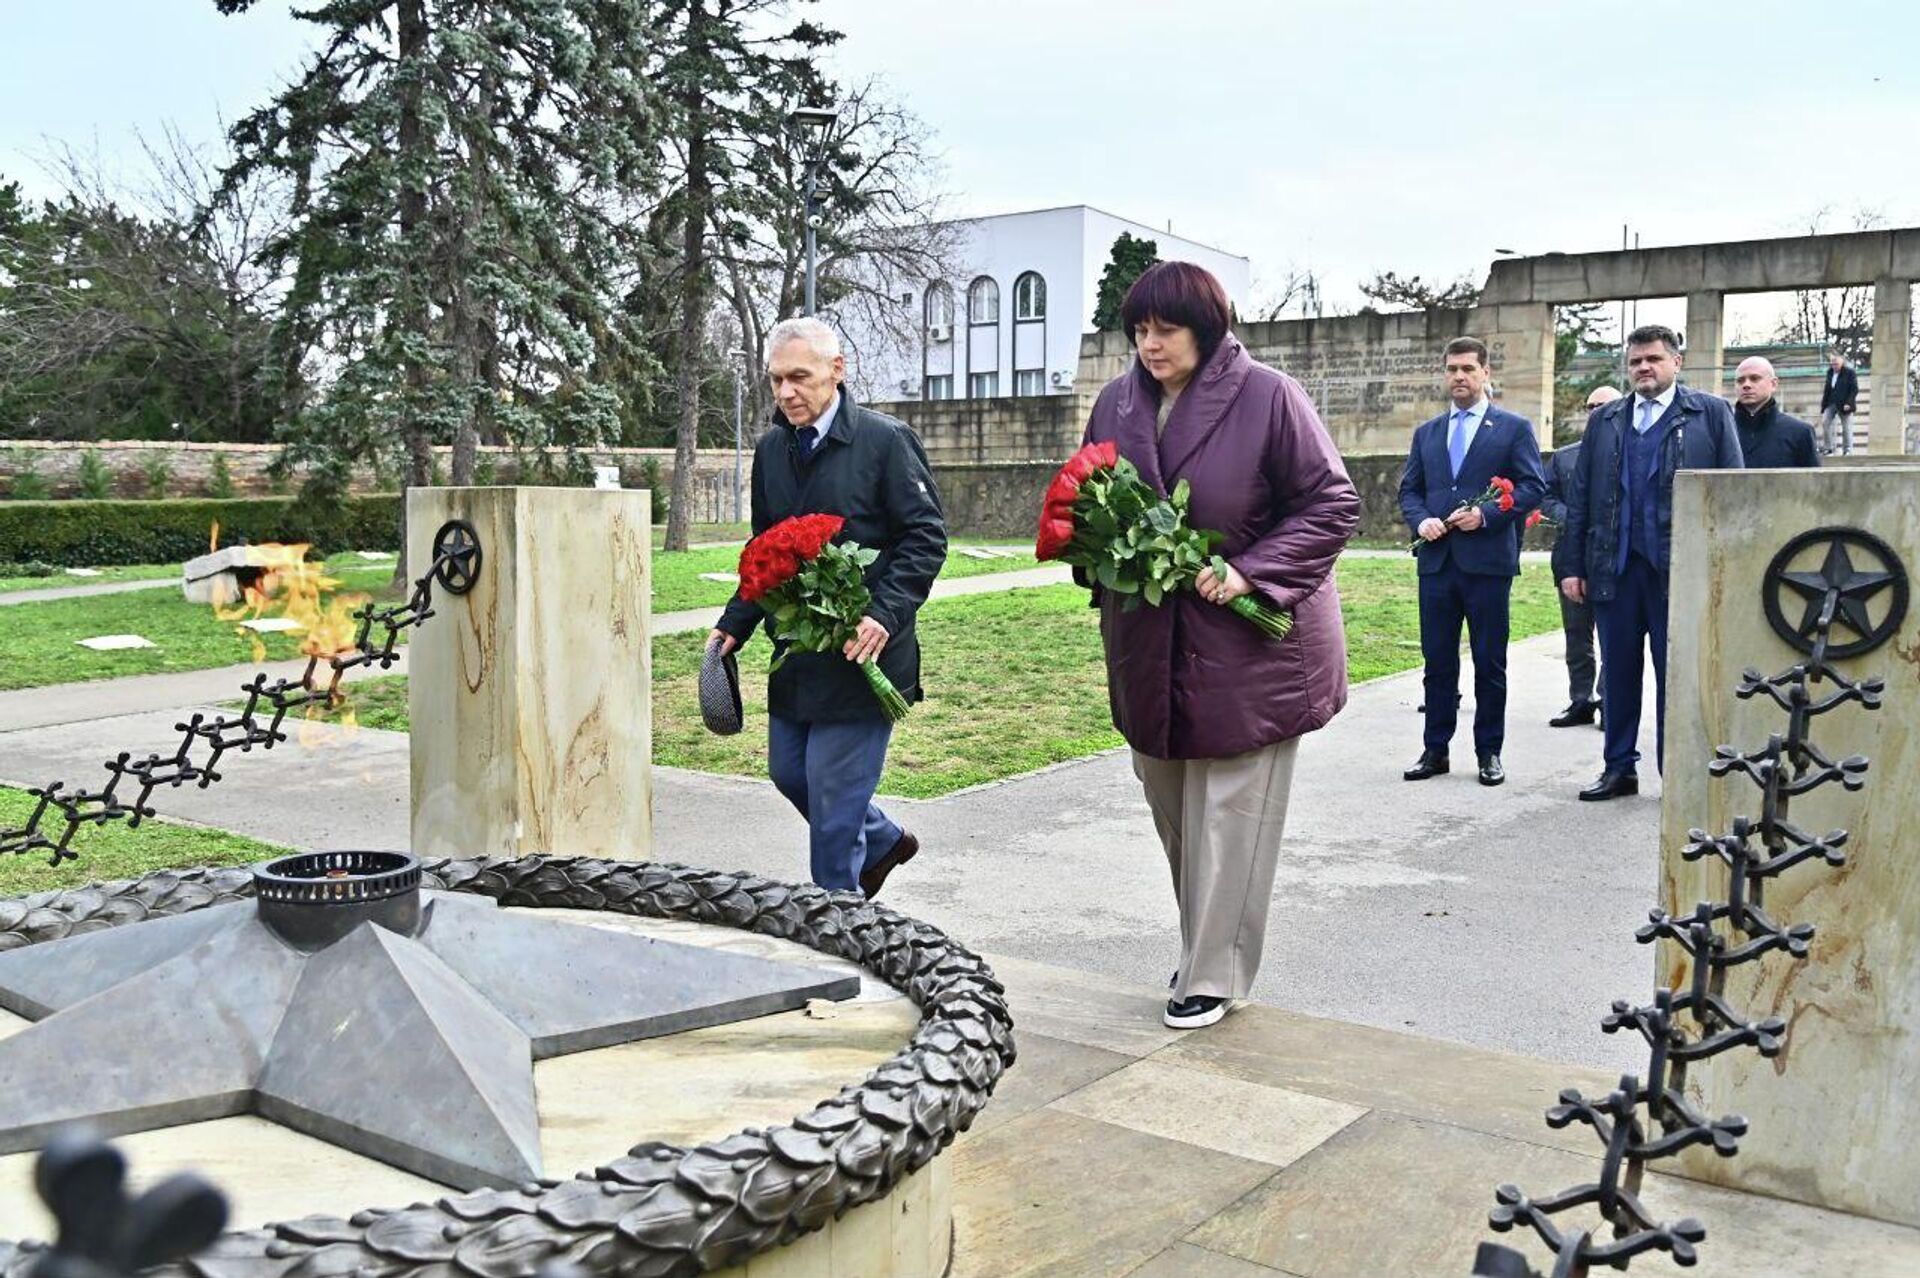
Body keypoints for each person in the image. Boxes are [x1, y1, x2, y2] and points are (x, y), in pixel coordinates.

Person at [1081, 261, 1359, 1030]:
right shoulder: (1115, 403)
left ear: (1207, 327)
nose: (1149, 344)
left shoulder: (1270, 396)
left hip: (1253, 648)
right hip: (1150, 642)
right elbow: (1086, 499)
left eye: (1164, 329)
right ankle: (1204, 945)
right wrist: (1104, 558)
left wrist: (1250, 573)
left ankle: (1214, 971)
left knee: (1232, 814)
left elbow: (1331, 503)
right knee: (1176, 810)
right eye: (1138, 330)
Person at [711, 317, 946, 896]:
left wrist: (883, 615)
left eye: (800, 377)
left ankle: (840, 929)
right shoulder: (770, 452)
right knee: (790, 773)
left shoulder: (884, 441)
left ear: (836, 372)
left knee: (835, 815)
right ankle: (885, 841)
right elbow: (763, 552)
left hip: (865, 655)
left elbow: (925, 538)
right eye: (775, 381)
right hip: (798, 654)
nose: (786, 392)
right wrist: (733, 624)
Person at [1559, 325, 1744, 801]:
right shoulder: (1608, 420)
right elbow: (1581, 498)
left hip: (1679, 575)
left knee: (1675, 679)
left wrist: (1725, 572)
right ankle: (1618, 768)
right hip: (1614, 570)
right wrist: (1572, 566)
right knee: (1618, 676)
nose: (1644, 367)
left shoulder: (1711, 414)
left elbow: (1735, 498)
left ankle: (1677, 776)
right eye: (1636, 360)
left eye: (1654, 359)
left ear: (1676, 363)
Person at [1397, 338, 1546, 786]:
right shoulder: (1427, 433)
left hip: (1487, 566)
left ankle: (1489, 752)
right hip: (1438, 565)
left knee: (1489, 662)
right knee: (1437, 661)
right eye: (1451, 369)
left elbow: (1532, 487)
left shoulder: (1512, 428)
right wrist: (1421, 521)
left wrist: (1486, 514)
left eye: (1467, 368)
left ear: (1485, 373)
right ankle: (1435, 749)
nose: (1458, 376)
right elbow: (1410, 490)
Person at [1542, 384, 1621, 728]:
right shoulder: (1564, 456)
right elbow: (1545, 497)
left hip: (1611, 559)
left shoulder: (1628, 451)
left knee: (1613, 635)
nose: (1594, 413)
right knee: (1577, 636)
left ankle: (1608, 700)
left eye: (1602, 406)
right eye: (1590, 406)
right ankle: (1580, 700)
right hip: (1570, 557)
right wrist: (1570, 517)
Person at [1733, 357, 1820, 468]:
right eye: (1740, 380)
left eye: (1754, 378)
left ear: (1773, 384)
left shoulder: (1800, 432)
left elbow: (1814, 482)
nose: (1746, 385)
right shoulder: (1720, 431)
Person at [1818, 351, 1859, 456]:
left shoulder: (1850, 373)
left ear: (1842, 362)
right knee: (1825, 422)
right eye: (1832, 363)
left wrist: (1849, 403)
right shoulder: (1830, 372)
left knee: (1846, 427)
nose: (1834, 366)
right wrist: (1823, 406)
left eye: (1836, 363)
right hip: (1831, 402)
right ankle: (1828, 448)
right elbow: (1827, 390)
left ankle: (1847, 449)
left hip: (1845, 403)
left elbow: (1854, 389)